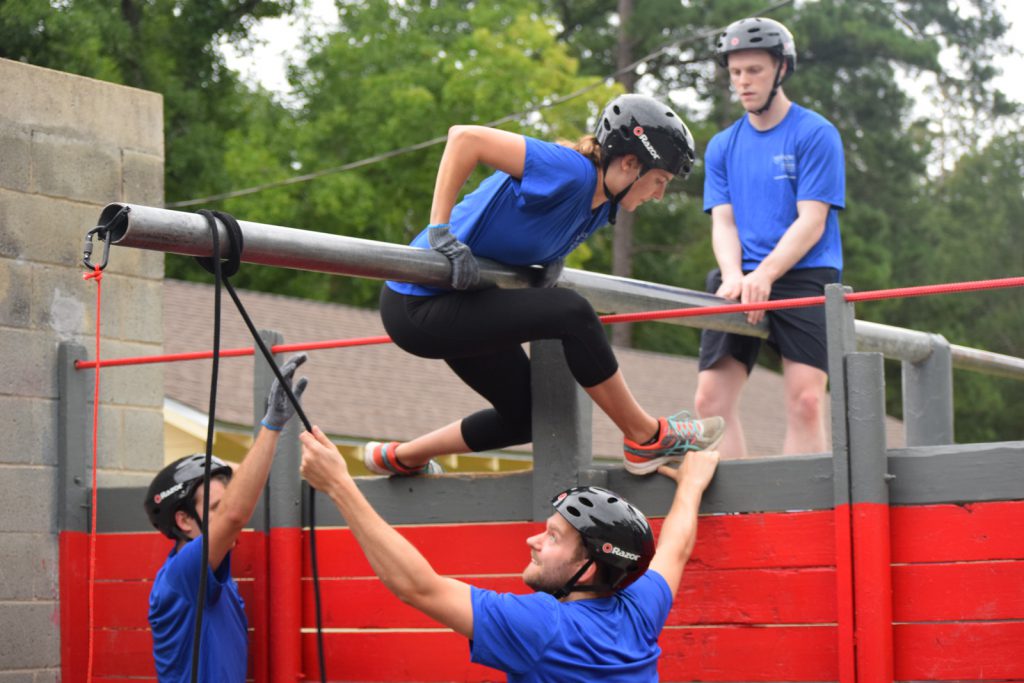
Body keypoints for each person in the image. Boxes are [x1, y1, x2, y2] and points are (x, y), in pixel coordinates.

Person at [367, 93, 723, 477]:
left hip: (465, 303)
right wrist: (439, 230)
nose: (659, 194)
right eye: (659, 180)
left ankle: (402, 457)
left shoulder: (603, 207)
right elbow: (463, 139)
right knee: (572, 313)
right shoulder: (570, 171)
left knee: (526, 418)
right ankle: (645, 436)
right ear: (630, 163)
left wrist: (552, 254)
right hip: (417, 303)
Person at [300, 424, 720, 681]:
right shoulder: (638, 609)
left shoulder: (544, 626)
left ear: (588, 569)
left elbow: (418, 588)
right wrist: (691, 485)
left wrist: (339, 484)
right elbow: (676, 549)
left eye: (553, 538)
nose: (532, 542)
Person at [693, 17, 845, 457]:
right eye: (736, 72)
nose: (743, 82)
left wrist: (765, 273)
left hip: (805, 275)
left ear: (781, 69)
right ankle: (739, 516)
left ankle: (803, 517)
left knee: (807, 402)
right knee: (709, 403)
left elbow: (812, 220)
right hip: (740, 277)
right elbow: (724, 222)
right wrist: (733, 273)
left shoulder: (815, 133)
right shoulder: (722, 145)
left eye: (754, 70)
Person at [143, 353, 308, 682]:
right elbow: (235, 514)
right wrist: (272, 425)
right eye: (214, 508)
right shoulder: (183, 575)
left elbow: (234, 501)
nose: (231, 519)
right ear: (184, 521)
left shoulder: (210, 575)